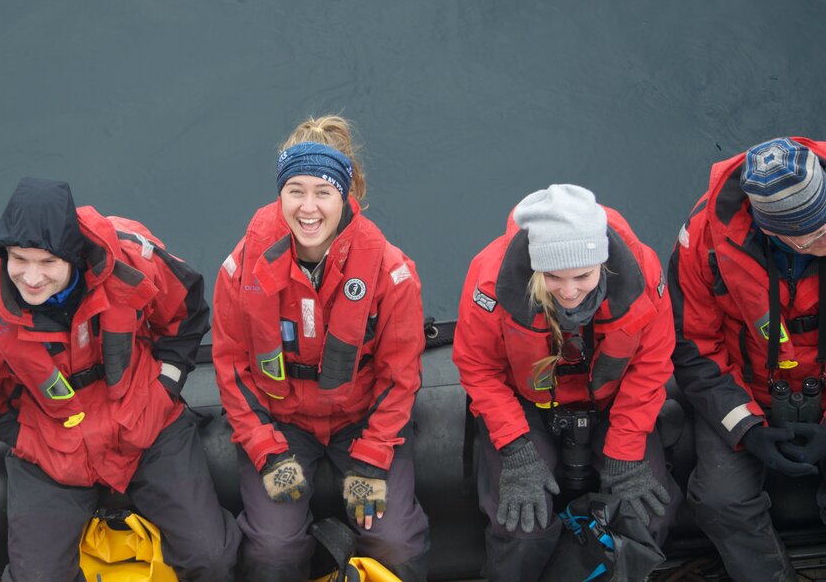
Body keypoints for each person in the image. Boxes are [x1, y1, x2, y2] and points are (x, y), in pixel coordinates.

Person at [0, 177, 240, 582]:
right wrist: (29, 437)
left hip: (147, 425)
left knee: (211, 558)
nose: (30, 277)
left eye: (47, 262)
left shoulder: (132, 258)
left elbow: (187, 314)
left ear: (74, 254)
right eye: (19, 260)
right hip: (52, 449)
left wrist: (164, 390)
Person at [211, 116, 430, 581]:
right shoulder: (240, 269)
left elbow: (400, 376)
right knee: (272, 547)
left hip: (362, 423)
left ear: (345, 195)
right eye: (296, 190)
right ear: (280, 193)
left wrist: (372, 457)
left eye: (323, 192)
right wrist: (267, 451)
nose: (308, 208)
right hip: (283, 423)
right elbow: (231, 369)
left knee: (396, 540)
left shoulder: (391, 274)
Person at [453, 183, 682, 582]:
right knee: (521, 528)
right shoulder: (490, 280)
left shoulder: (644, 272)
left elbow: (651, 362)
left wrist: (626, 455)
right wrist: (518, 452)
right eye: (553, 277)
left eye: (583, 275)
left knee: (649, 512)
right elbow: (478, 367)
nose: (571, 292)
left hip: (613, 404)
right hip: (528, 407)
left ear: (604, 263)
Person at [669, 136, 826, 581]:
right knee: (720, 500)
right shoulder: (702, 241)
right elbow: (694, 346)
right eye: (815, 235)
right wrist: (748, 430)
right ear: (772, 230)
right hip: (746, 391)